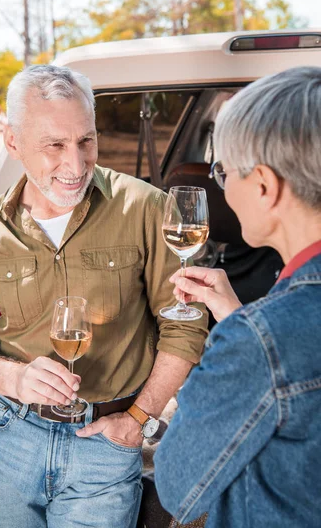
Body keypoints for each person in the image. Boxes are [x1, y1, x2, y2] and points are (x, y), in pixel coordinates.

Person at [0, 65, 208, 528]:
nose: (76, 164)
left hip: (106, 443)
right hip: (9, 438)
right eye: (55, 146)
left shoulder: (146, 207)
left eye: (86, 141)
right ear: (13, 142)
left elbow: (184, 326)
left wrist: (139, 418)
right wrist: (13, 378)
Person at [154, 66, 321, 527]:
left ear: (264, 186)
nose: (221, 188)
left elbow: (177, 484)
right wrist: (236, 319)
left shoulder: (259, 339)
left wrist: (229, 351)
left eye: (223, 172)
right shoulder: (258, 332)